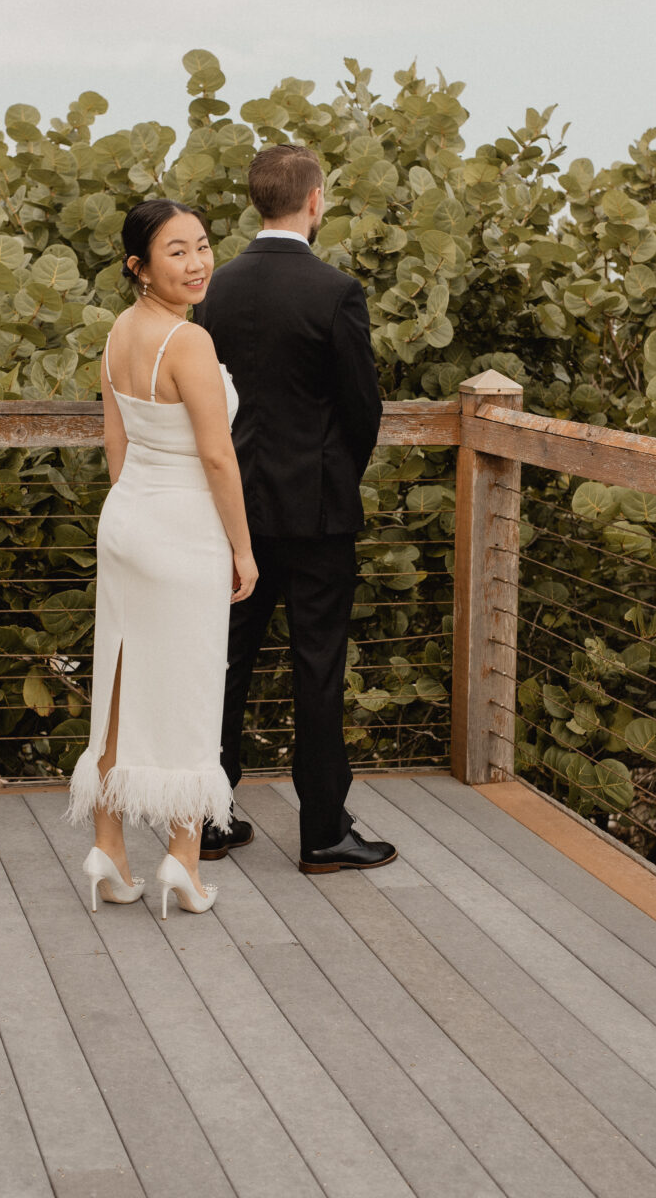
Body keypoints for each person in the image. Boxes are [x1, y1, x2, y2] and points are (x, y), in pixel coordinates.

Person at [196, 144, 398, 873]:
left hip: (230, 513)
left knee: (222, 664)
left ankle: (210, 820)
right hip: (315, 515)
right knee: (317, 668)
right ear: (315, 200)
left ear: (258, 201)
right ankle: (322, 832)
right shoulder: (335, 291)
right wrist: (335, 476)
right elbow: (361, 408)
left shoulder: (213, 288)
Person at [67, 199, 258, 917]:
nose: (197, 262)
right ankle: (182, 857)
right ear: (138, 266)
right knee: (189, 690)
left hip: (129, 518)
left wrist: (136, 511)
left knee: (118, 684)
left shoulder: (120, 331)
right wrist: (241, 548)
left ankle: (108, 848)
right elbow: (216, 454)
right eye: (176, 251)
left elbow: (115, 440)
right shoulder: (188, 343)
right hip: (183, 526)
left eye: (202, 245)